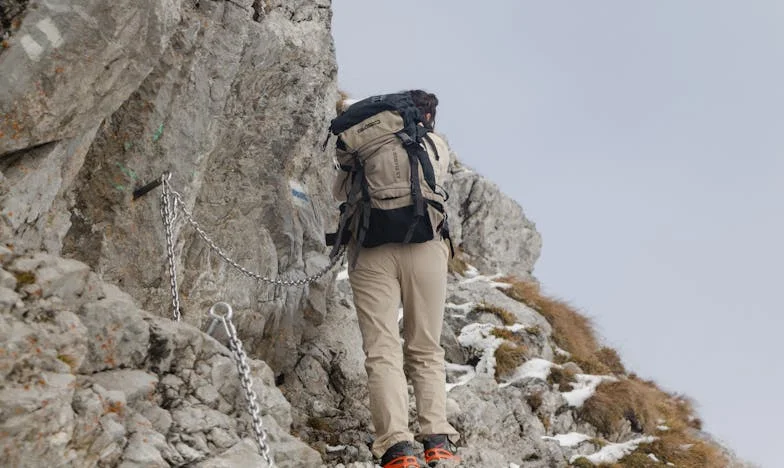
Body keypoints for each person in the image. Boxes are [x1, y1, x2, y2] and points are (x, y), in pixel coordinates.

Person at [332, 90, 460, 468]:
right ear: (429, 116)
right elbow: (439, 184)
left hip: (371, 250)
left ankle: (397, 449)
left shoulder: (363, 144)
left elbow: (339, 191)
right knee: (425, 348)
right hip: (425, 249)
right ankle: (437, 441)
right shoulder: (432, 143)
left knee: (382, 350)